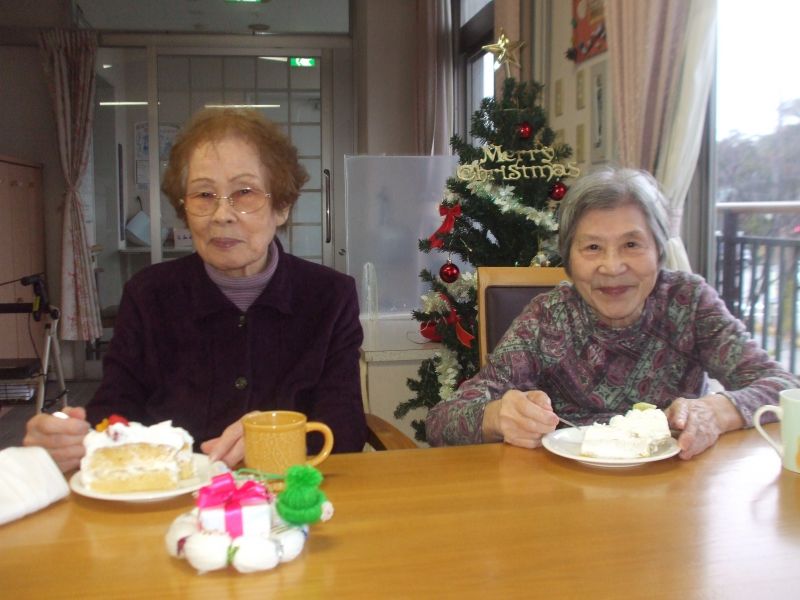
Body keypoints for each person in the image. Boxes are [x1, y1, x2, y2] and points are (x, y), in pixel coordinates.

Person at [24, 108, 367, 471]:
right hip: (171, 493)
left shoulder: (329, 297)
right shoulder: (148, 295)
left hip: (290, 493)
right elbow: (114, 410)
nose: (221, 214)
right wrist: (71, 440)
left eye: (244, 192)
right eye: (204, 194)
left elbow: (344, 429)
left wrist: (273, 437)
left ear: (281, 206)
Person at [425, 167, 798, 459]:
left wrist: (717, 411)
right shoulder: (547, 318)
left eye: (632, 244)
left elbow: (784, 387)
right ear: (569, 260)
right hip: (568, 495)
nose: (613, 266)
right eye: (592, 248)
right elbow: (442, 421)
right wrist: (496, 417)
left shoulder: (689, 302)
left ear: (658, 252)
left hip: (674, 494)